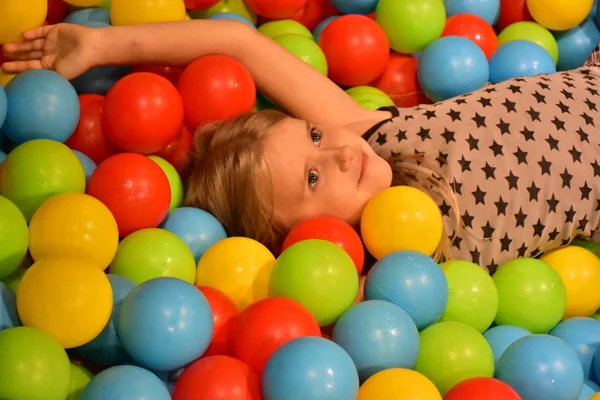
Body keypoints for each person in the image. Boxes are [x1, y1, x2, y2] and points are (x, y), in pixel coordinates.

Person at [3, 20, 600, 273]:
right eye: (312, 181)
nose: (336, 154)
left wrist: (100, 46)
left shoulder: (366, 132)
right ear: (300, 242)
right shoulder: (402, 273)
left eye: (312, 136)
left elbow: (239, 42)